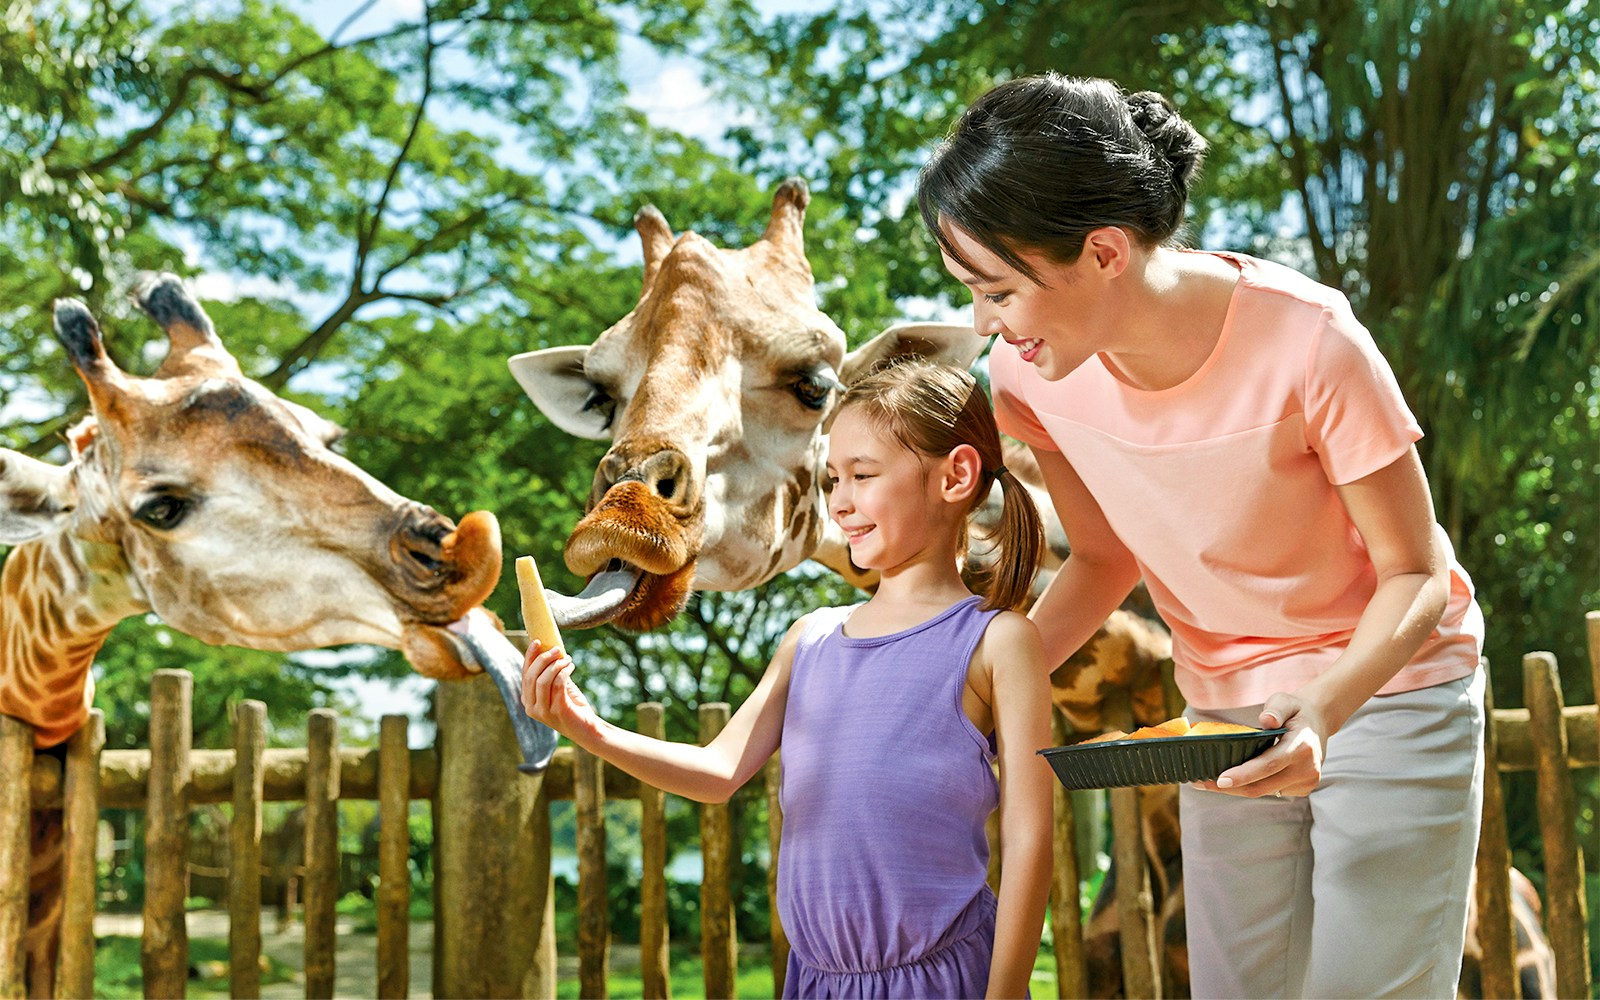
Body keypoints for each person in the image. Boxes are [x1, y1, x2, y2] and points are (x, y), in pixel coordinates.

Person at [917, 73, 1486, 999]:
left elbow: (1416, 574)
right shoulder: (1032, 379)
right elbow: (1105, 561)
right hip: (1220, 710)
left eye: (1000, 292)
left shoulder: (1312, 343)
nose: (984, 324)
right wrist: (973, 690)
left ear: (1103, 251)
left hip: (1390, 688)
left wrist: (1327, 709)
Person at [522, 359, 1055, 999]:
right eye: (834, 478)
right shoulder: (811, 638)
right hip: (815, 983)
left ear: (956, 476)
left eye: (863, 475)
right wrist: (586, 727)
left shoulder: (998, 642)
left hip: (946, 981)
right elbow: (718, 773)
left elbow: (1030, 840)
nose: (842, 501)